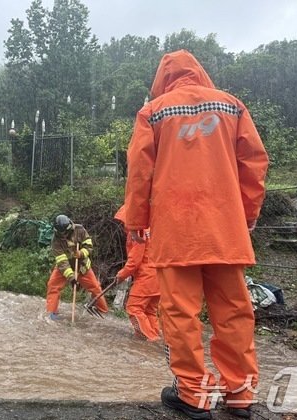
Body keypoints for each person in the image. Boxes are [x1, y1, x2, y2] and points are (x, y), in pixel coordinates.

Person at [124, 50, 269, 419]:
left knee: (180, 313)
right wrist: (247, 216)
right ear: (200, 72)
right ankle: (240, 396)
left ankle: (193, 395)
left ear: (162, 78)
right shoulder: (233, 107)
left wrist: (137, 221)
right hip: (226, 230)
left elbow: (140, 173)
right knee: (234, 311)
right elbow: (253, 164)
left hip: (177, 231)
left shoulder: (154, 112)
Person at [46, 214, 108, 320]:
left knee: (95, 288)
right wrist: (71, 277)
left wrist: (81, 253)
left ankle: (103, 311)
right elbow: (62, 261)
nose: (63, 235)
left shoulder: (80, 230)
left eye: (65, 233)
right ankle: (52, 313)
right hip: (64, 268)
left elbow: (89, 246)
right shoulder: (55, 240)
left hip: (82, 266)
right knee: (53, 286)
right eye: (61, 233)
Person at [114, 205, 160, 341]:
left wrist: (121, 275)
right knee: (149, 311)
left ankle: (149, 341)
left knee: (133, 307)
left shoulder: (137, 233)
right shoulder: (149, 229)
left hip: (147, 277)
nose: (122, 224)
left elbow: (134, 261)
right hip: (158, 277)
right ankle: (155, 338)